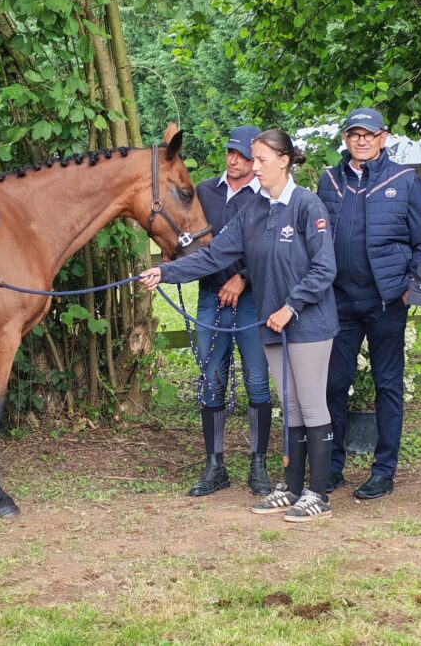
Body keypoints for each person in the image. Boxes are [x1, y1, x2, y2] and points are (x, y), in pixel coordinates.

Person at [139, 129, 339, 522]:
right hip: (271, 323)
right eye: (253, 159)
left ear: (284, 161)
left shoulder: (306, 204)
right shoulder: (253, 210)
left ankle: (318, 494)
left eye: (261, 160)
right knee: (291, 406)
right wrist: (165, 272)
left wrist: (291, 307)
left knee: (311, 404)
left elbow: (324, 268)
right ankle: (292, 488)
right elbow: (214, 255)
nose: (254, 167)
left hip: (308, 324)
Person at [316, 108, 421, 499]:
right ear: (345, 139)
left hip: (386, 300)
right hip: (340, 300)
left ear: (383, 137)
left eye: (369, 134)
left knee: (387, 384)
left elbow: (420, 241)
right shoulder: (329, 179)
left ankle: (383, 470)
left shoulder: (404, 179)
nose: (361, 141)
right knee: (333, 384)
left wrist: (409, 287)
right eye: (354, 134)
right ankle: (331, 466)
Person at [186, 126, 274, 498]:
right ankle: (214, 465)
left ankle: (259, 465)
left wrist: (243, 278)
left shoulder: (266, 195)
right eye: (230, 152)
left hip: (253, 298)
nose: (233, 160)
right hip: (211, 296)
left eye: (242, 155)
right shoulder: (204, 191)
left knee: (257, 378)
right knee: (212, 378)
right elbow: (189, 237)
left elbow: (274, 248)